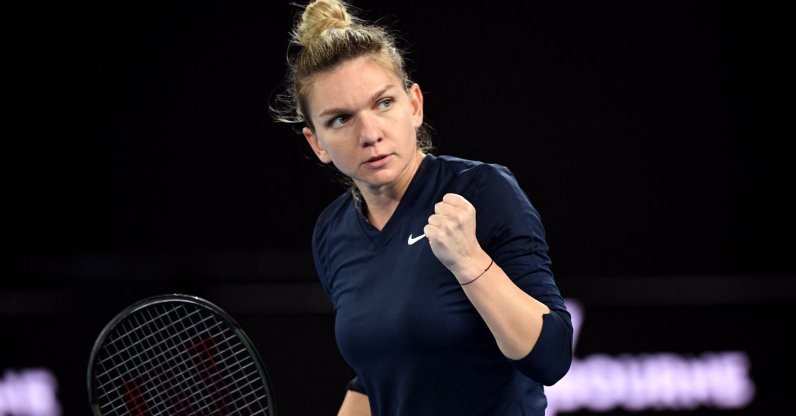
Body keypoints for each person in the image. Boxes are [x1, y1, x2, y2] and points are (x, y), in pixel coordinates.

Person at [271, 1, 573, 414]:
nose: (370, 133)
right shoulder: (331, 233)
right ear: (316, 143)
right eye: (341, 119)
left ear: (414, 105)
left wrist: (470, 263)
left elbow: (551, 358)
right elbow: (377, 376)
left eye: (383, 103)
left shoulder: (483, 191)